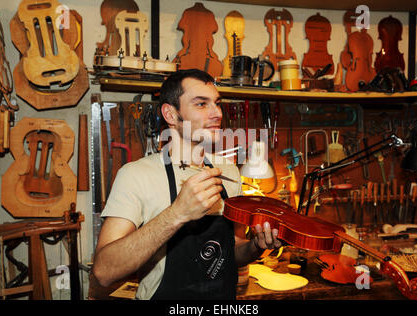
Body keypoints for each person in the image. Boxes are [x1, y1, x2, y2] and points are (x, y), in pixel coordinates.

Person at [93, 69, 281, 300]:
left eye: (217, 103)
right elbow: (104, 272)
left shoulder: (229, 173)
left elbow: (232, 250)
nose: (217, 113)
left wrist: (256, 246)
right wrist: (177, 213)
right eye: (201, 104)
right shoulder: (136, 175)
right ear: (171, 114)